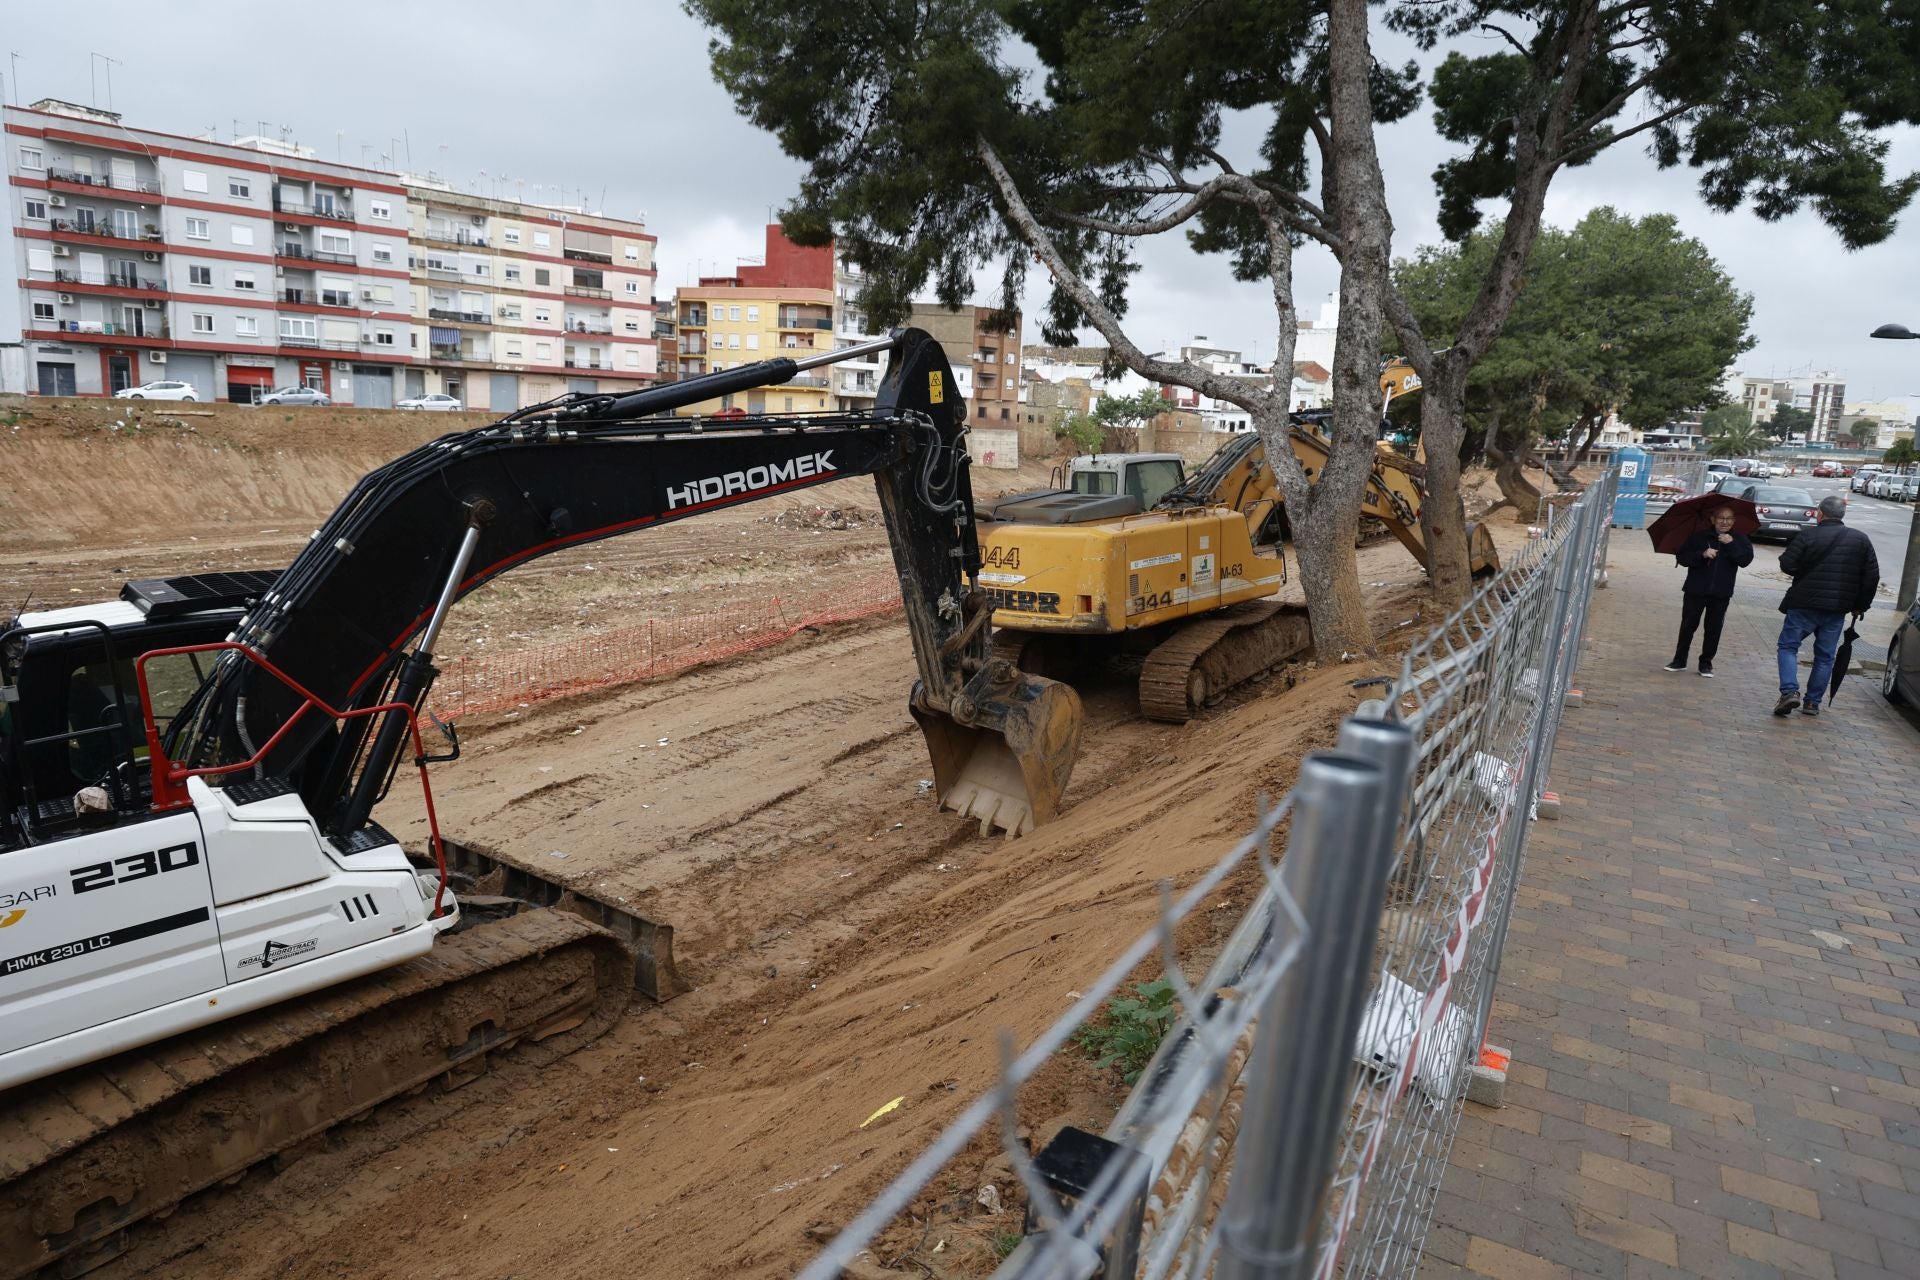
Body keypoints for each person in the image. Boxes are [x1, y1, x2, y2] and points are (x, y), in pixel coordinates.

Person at [1775, 495, 1880, 717]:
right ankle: (1812, 703)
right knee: (1825, 656)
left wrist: (1804, 571)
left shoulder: (1808, 536)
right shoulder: (1860, 540)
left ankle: (1789, 692)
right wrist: (1861, 605)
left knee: (1788, 647)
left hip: (1803, 604)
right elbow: (1871, 576)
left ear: (1819, 513)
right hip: (1837, 608)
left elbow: (1787, 564)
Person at [1665, 505, 1753, 676]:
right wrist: (1702, 554)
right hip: (1695, 590)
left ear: (1734, 521)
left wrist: (1731, 544)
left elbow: (1745, 560)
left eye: (1729, 519)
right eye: (1721, 518)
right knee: (1688, 626)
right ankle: (1679, 660)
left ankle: (1706, 663)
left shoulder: (1740, 539)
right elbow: (1682, 558)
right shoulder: (1699, 537)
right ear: (1713, 519)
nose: (1725, 522)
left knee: (1713, 629)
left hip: (1721, 593)